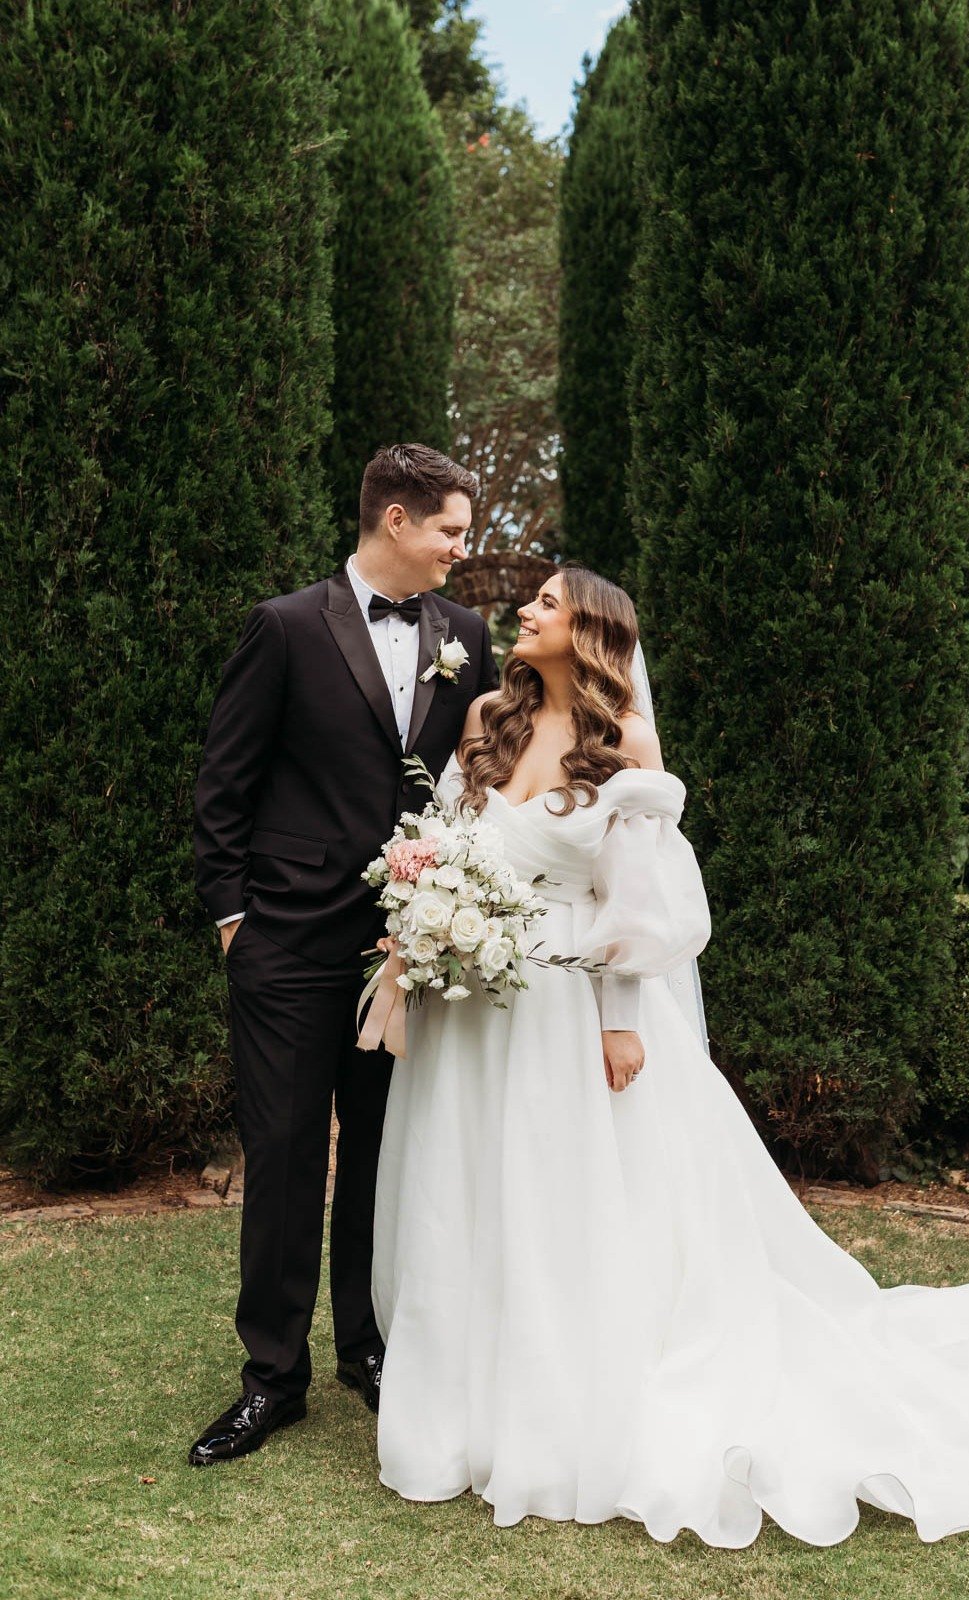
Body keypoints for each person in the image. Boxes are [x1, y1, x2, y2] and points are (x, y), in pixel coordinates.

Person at [370, 566, 969, 1548]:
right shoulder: (486, 719)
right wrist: (430, 903)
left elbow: (637, 899)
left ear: (591, 631)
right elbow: (458, 839)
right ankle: (454, 1409)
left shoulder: (623, 746)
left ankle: (553, 1408)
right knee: (468, 1189)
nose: (527, 610)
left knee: (556, 1196)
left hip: (561, 1003)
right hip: (476, 1005)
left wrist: (620, 1017)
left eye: (548, 602)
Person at [189, 444, 499, 1466]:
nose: (463, 548)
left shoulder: (466, 636)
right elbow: (222, 783)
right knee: (282, 1158)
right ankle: (271, 1378)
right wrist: (235, 919)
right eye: (451, 529)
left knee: (380, 1154)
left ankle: (365, 1352)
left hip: (405, 948)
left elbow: (481, 776)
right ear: (396, 520)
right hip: (283, 942)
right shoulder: (283, 627)